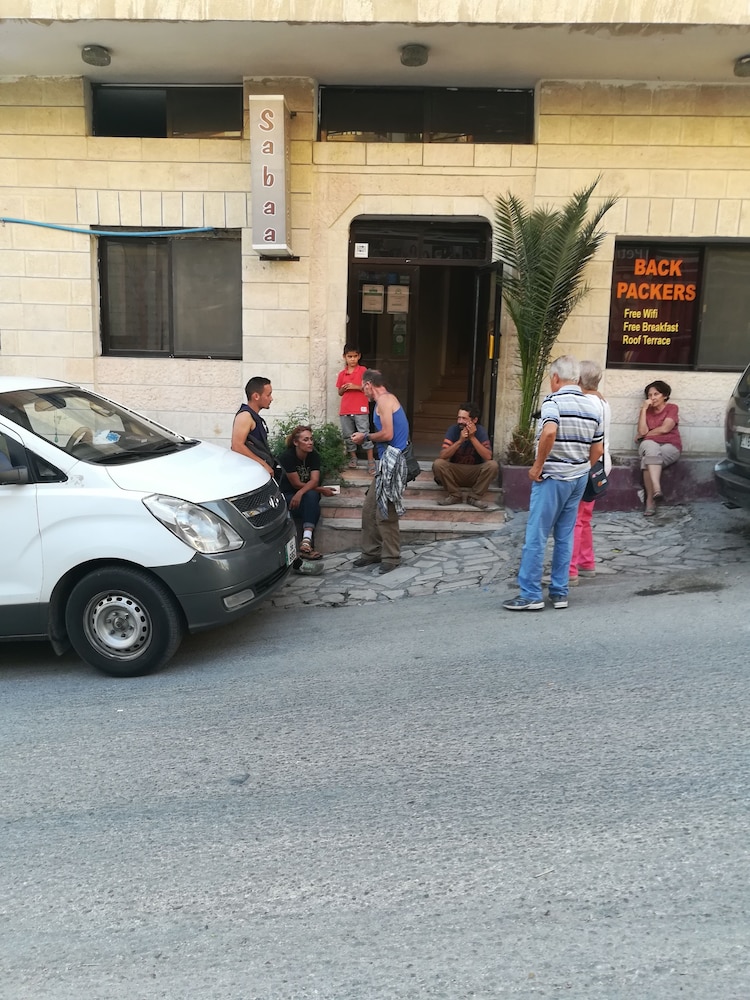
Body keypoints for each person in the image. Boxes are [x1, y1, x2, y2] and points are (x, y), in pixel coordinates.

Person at [503, 355, 604, 612]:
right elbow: (598, 449)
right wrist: (581, 468)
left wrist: (537, 466)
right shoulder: (593, 407)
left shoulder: (553, 401)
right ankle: (560, 593)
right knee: (565, 536)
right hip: (578, 479)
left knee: (536, 535)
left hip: (552, 477)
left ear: (556, 378)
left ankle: (530, 594)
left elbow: (549, 431)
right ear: (577, 378)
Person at [349, 370, 409, 575]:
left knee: (386, 512)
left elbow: (388, 434)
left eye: (362, 388)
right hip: (386, 463)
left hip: (392, 464)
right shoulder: (385, 400)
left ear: (368, 384)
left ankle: (391, 557)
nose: (363, 392)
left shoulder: (384, 400)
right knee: (370, 508)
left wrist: (365, 436)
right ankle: (371, 553)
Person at [568, 360, 612, 585]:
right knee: (584, 518)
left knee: (574, 519)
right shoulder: (602, 402)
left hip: (586, 465)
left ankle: (570, 569)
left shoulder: (586, 403)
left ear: (579, 379)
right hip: (600, 466)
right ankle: (586, 562)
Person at [276, 425, 336, 560]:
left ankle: (306, 541)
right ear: (296, 442)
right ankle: (302, 546)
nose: (310, 443)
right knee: (311, 497)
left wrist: (301, 493)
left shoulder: (313, 455)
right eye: (306, 440)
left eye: (311, 439)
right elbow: (296, 484)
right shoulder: (287, 457)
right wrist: (320, 490)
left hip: (303, 497)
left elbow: (314, 481)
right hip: (288, 496)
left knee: (312, 496)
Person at [432, 401, 499, 509]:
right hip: (456, 472)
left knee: (493, 465)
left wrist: (472, 438)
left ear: (474, 420)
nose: (460, 421)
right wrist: (460, 441)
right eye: (459, 418)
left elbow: (488, 457)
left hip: (474, 473)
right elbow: (443, 455)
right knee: (438, 464)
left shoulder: (480, 431)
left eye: (464, 418)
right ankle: (455, 495)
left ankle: (474, 497)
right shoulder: (453, 430)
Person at [636, 379, 682, 516]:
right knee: (650, 447)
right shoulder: (646, 411)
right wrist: (644, 409)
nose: (652, 398)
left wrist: (645, 435)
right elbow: (642, 430)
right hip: (649, 444)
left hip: (671, 445)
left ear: (665, 396)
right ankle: (657, 489)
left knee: (647, 460)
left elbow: (665, 428)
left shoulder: (672, 408)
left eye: (656, 394)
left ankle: (650, 502)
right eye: (650, 395)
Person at [336, 344, 376, 474]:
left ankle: (371, 460)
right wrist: (343, 389)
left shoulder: (363, 370)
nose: (352, 359)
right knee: (348, 435)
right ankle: (353, 457)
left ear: (359, 356)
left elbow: (369, 388)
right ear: (344, 357)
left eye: (354, 356)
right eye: (349, 356)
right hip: (346, 409)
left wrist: (355, 386)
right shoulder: (342, 374)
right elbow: (340, 392)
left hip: (360, 408)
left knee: (364, 433)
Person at [230, 376, 278, 477]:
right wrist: (264, 465)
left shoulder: (253, 416)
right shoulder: (245, 416)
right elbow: (237, 446)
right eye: (268, 395)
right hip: (247, 473)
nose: (271, 398)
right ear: (256, 396)